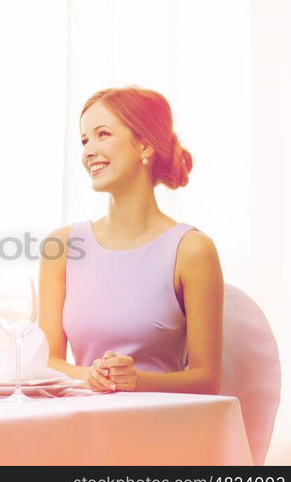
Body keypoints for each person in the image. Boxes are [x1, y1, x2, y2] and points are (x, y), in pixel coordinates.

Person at [39, 87, 223, 394]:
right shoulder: (61, 247)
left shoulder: (192, 250)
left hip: (160, 427)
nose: (88, 150)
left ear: (145, 145)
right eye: (84, 140)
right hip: (83, 424)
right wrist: (91, 376)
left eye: (103, 134)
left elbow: (208, 380)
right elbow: (47, 362)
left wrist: (136, 381)